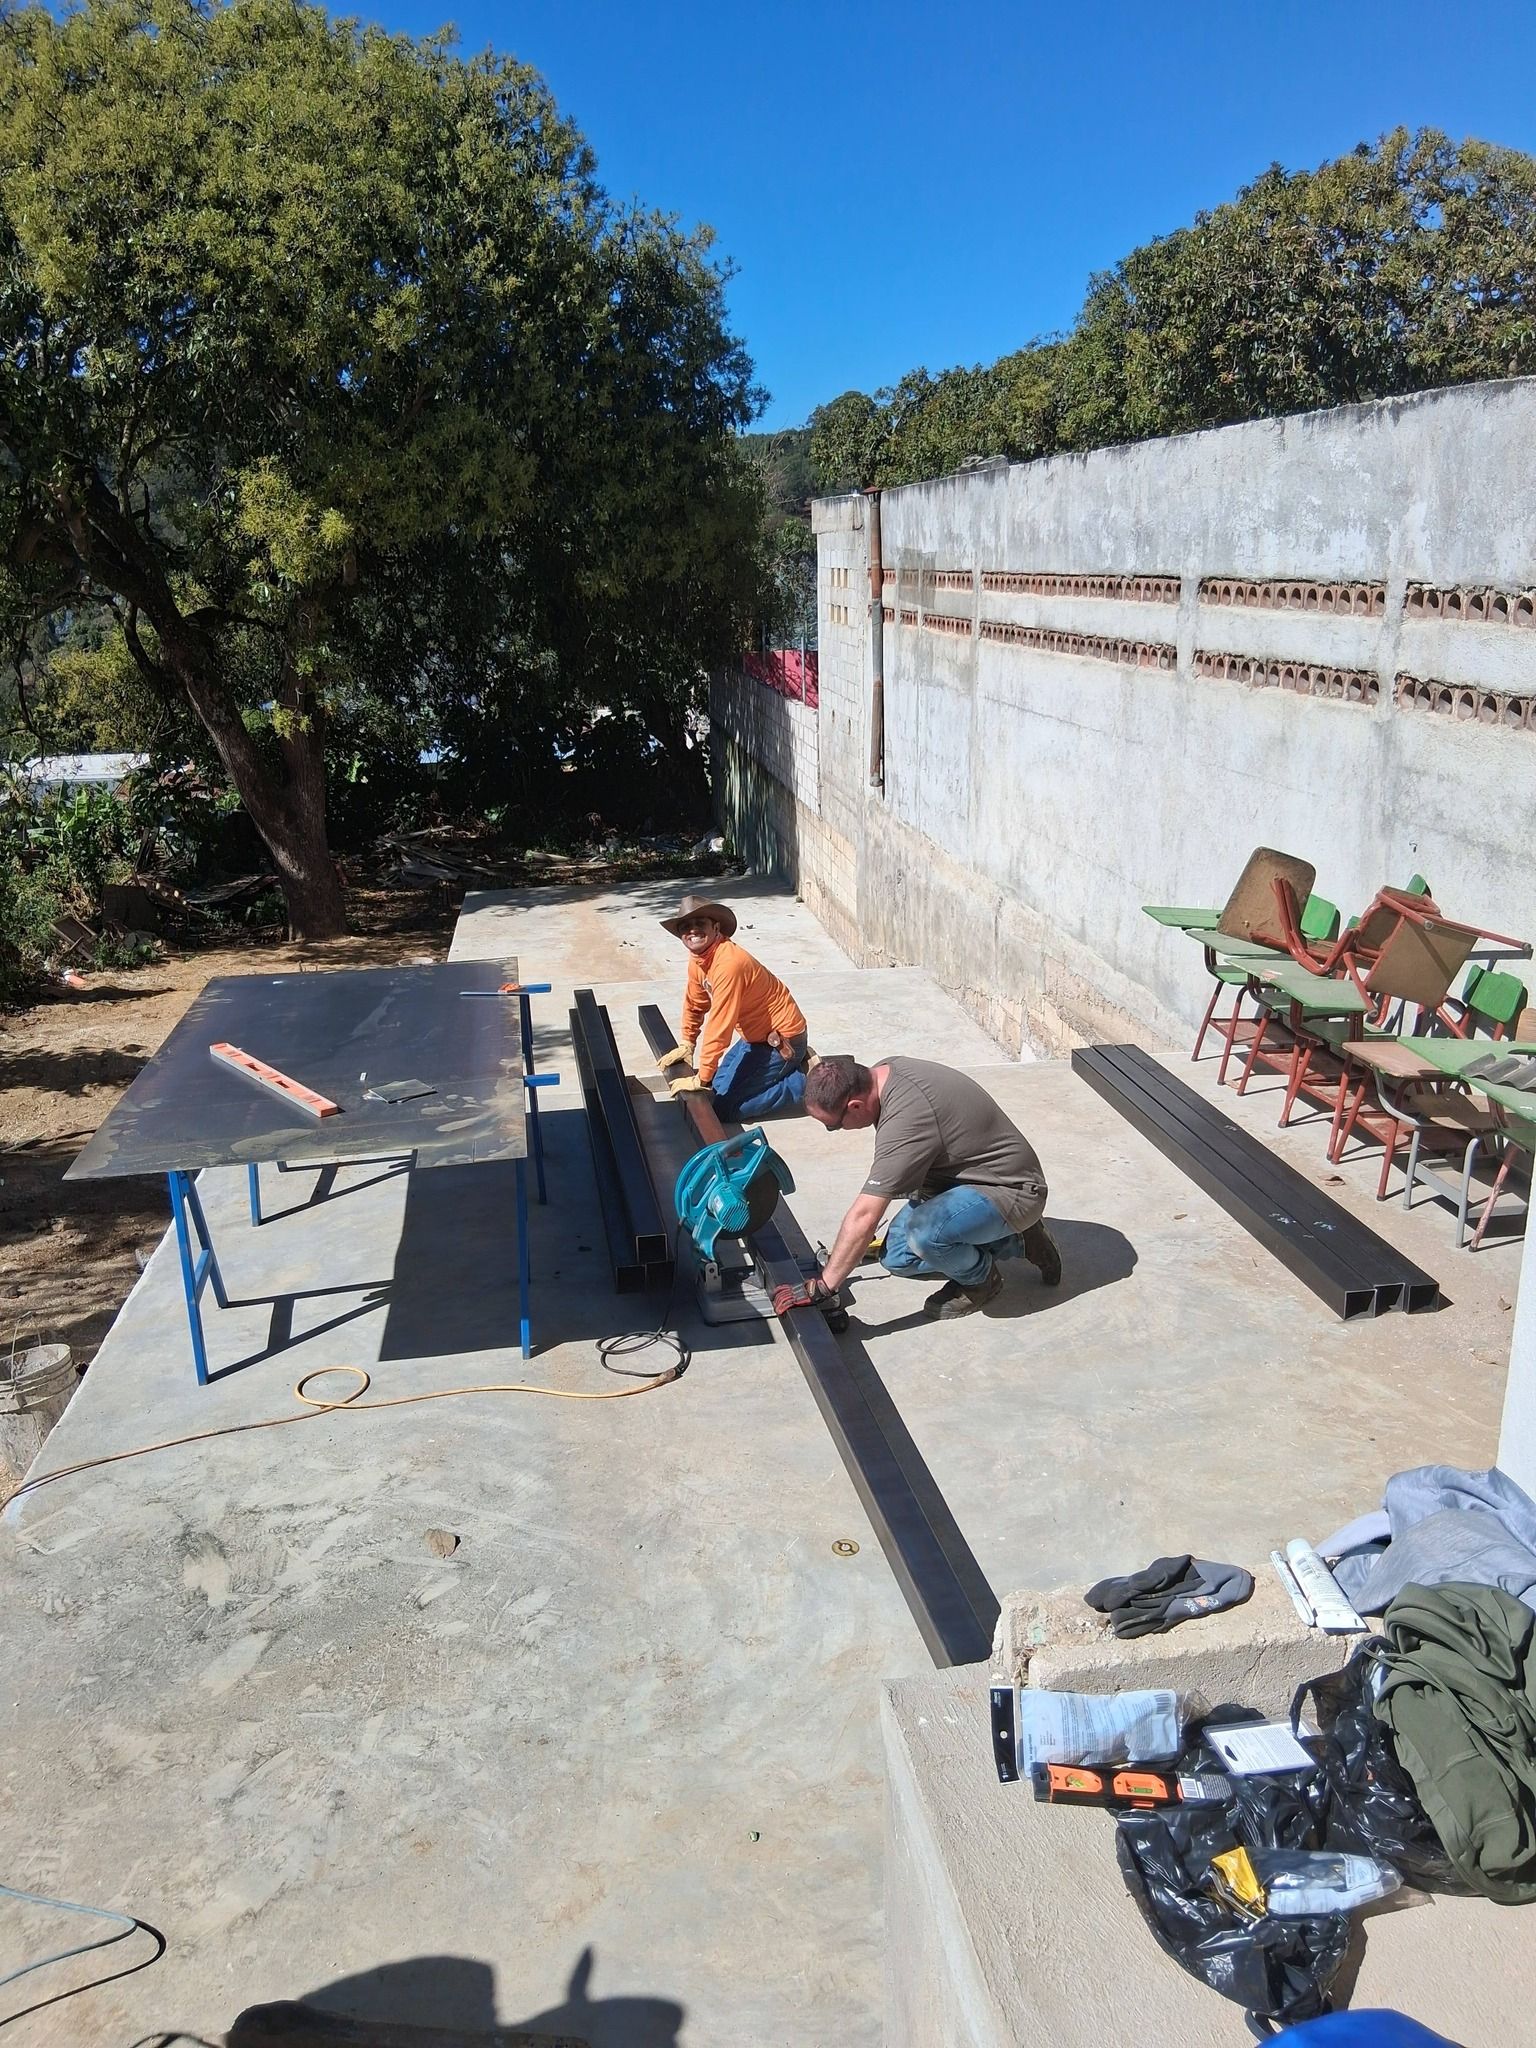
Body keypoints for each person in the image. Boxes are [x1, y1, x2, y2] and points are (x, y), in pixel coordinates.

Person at [791, 1053, 1061, 1320]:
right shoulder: (885, 1072)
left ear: (856, 1106)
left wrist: (825, 1286)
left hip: (1010, 1189)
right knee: (896, 1257)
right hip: (960, 1181)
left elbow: (866, 1215)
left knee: (925, 1235)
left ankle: (982, 1280)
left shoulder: (906, 1120)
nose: (834, 1131)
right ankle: (1014, 1239)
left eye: (833, 1126)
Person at [655, 895, 813, 1120]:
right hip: (753, 1039)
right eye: (686, 927)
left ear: (716, 927)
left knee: (724, 1110)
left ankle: (805, 1082)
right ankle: (787, 1070)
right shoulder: (699, 959)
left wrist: (702, 1078)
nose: (693, 931)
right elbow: (695, 1003)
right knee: (715, 1092)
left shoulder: (729, 964)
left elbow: (720, 1025)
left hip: (782, 1040)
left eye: (700, 924)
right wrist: (687, 1043)